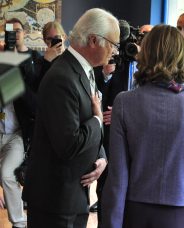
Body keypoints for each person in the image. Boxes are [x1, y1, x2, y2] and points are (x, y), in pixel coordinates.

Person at [102, 24, 184, 228]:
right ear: (183, 56)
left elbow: (118, 177)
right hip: (182, 213)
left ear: (145, 55)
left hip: (136, 212)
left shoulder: (124, 102)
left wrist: (111, 224)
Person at [22, 8, 119, 228]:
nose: (113, 51)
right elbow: (68, 144)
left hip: (72, 196)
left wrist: (101, 157)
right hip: (54, 200)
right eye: (112, 44)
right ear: (94, 40)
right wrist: (96, 120)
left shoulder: (84, 71)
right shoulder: (62, 77)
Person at [90, 24, 153, 220]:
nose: (142, 40)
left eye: (147, 36)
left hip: (141, 139)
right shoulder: (118, 58)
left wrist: (123, 112)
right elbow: (97, 94)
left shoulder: (156, 67)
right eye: (140, 35)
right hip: (110, 134)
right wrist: (106, 74)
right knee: (107, 189)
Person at [0, 18, 42, 228]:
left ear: (24, 32)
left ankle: (18, 222)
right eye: (8, 31)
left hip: (15, 133)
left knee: (7, 173)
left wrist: (8, 64)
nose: (13, 35)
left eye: (17, 31)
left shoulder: (33, 59)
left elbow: (23, 95)